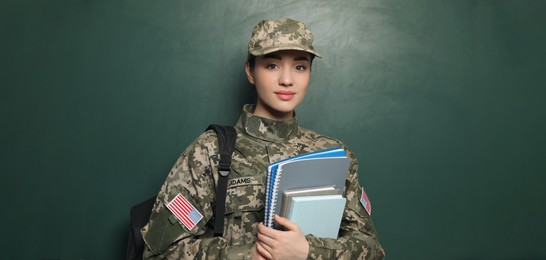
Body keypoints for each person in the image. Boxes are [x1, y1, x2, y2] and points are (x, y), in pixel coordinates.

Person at [141, 18, 385, 259]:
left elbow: (372, 248)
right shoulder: (210, 151)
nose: (287, 80)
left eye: (300, 67)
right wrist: (250, 255)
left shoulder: (335, 155)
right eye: (272, 65)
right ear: (250, 71)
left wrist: (309, 251)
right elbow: (160, 253)